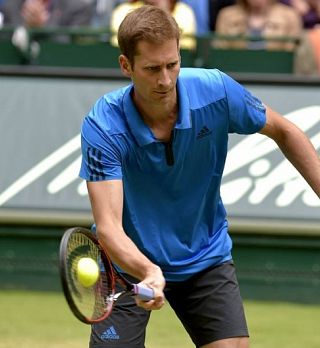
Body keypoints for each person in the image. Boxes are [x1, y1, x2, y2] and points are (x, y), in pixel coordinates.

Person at [79, 5, 320, 348]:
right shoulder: (103, 126)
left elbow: (284, 130)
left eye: (172, 65)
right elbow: (109, 228)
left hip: (203, 255)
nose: (165, 80)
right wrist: (147, 270)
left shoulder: (216, 91)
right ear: (126, 66)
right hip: (127, 265)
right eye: (151, 69)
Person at [215, 0, 302, 50]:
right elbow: (220, 50)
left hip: (276, 76)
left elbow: (291, 55)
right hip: (236, 75)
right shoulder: (226, 15)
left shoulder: (290, 16)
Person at [110, 0, 197, 49]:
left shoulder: (184, 11)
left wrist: (163, 11)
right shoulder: (123, 10)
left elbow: (186, 44)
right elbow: (118, 42)